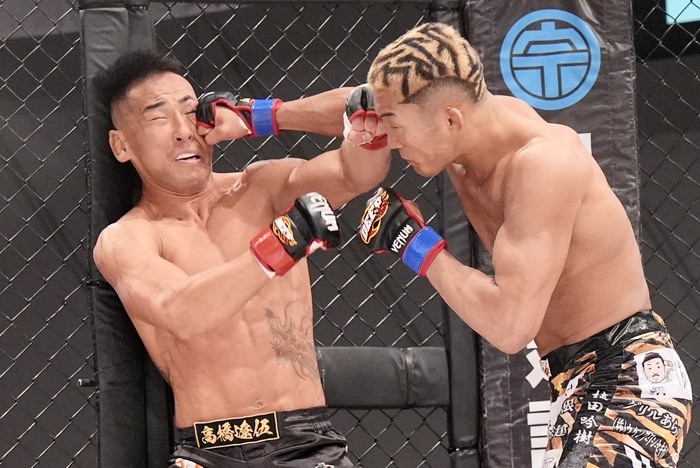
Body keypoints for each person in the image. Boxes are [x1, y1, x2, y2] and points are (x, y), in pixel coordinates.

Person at [355, 22, 693, 467]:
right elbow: (352, 105)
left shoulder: (541, 166)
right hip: (577, 385)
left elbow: (510, 327)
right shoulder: (462, 130)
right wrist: (266, 116)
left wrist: (415, 244)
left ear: (451, 119)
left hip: (627, 377)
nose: (391, 140)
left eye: (396, 126)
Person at [92, 49, 390, 467]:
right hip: (207, 452)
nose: (183, 131)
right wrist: (283, 241)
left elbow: (360, 151)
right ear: (122, 145)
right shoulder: (127, 239)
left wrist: (259, 116)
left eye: (191, 112)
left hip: (306, 443)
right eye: (159, 118)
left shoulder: (264, 187)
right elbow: (181, 310)